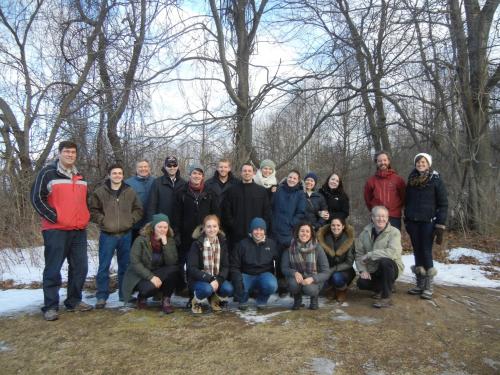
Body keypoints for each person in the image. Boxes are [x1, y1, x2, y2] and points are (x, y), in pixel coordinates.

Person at [30, 140, 93, 321]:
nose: (70, 155)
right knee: (53, 268)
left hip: (79, 230)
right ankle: (50, 306)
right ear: (59, 153)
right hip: (55, 230)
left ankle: (74, 301)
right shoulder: (48, 173)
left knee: (80, 267)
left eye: (73, 152)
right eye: (66, 152)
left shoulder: (80, 176)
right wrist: (54, 217)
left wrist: (84, 216)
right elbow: (36, 198)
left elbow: (83, 201)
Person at [90, 164, 143, 309]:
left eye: (120, 173)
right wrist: (103, 221)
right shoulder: (100, 192)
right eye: (114, 173)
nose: (117, 175)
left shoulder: (129, 191)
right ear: (109, 175)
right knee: (104, 266)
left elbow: (139, 209)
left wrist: (130, 220)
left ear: (123, 175)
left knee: (125, 266)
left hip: (126, 234)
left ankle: (124, 294)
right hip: (108, 235)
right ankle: (101, 296)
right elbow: (93, 210)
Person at [405, 153, 448, 300]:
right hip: (413, 222)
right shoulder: (411, 180)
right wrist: (407, 220)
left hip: (428, 222)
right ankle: (420, 284)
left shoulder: (436, 180)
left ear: (428, 164)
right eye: (418, 162)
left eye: (423, 162)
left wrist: (440, 225)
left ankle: (428, 286)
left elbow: (443, 204)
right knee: (417, 251)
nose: (420, 164)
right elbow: (407, 201)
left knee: (426, 251)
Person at [122, 214, 181, 314]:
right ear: (153, 227)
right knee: (148, 289)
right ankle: (142, 297)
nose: (162, 229)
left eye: (165, 227)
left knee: (174, 270)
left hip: (158, 273)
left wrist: (165, 244)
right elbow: (135, 262)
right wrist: (151, 277)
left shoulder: (169, 240)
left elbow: (172, 262)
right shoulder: (141, 240)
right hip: (141, 276)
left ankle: (166, 301)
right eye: (159, 227)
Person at [355, 206, 404, 308]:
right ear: (372, 217)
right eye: (377, 216)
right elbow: (359, 254)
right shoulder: (364, 233)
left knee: (385, 261)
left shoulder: (394, 232)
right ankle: (381, 288)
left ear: (387, 218)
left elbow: (393, 252)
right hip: (373, 269)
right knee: (361, 283)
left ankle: (386, 298)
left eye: (383, 216)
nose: (381, 219)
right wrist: (363, 270)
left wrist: (370, 255)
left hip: (391, 268)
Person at [187, 215, 234, 314]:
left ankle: (214, 299)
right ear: (204, 228)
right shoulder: (197, 244)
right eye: (208, 226)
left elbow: (226, 266)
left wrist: (219, 279)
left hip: (216, 277)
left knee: (228, 288)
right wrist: (211, 279)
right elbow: (192, 268)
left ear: (218, 228)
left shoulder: (223, 243)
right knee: (207, 289)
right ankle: (196, 300)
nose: (212, 229)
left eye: (214, 226)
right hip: (199, 279)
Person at [173, 165, 219, 264]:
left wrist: (215, 230)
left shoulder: (210, 192)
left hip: (205, 233)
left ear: (203, 177)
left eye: (199, 174)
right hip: (186, 235)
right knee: (186, 260)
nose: (197, 176)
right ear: (190, 175)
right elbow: (176, 215)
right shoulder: (181, 192)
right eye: (194, 173)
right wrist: (176, 233)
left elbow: (215, 214)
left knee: (202, 260)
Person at [230, 217, 279, 310]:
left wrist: (279, 278)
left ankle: (261, 300)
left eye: (261, 229)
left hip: (264, 275)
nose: (258, 232)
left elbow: (278, 262)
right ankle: (243, 299)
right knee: (239, 283)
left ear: (265, 231)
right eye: (256, 229)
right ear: (251, 231)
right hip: (247, 275)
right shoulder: (242, 245)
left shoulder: (271, 244)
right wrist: (237, 280)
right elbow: (234, 266)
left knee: (271, 284)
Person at [221, 163, 271, 249]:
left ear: (253, 173)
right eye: (244, 171)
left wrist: (261, 228)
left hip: (256, 233)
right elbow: (226, 211)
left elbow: (266, 212)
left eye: (249, 171)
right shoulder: (232, 190)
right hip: (236, 234)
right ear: (241, 173)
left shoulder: (261, 191)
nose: (247, 173)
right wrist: (233, 225)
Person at [281, 223, 330, 310]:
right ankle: (297, 300)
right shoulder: (290, 247)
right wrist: (294, 272)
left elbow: (326, 272)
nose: (304, 233)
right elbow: (284, 268)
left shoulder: (317, 248)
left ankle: (314, 299)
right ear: (297, 233)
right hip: (297, 278)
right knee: (293, 284)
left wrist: (312, 279)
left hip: (313, 278)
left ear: (311, 234)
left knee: (310, 289)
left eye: (307, 231)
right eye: (302, 231)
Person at [364, 151, 406, 230]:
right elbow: (368, 200)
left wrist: (396, 209)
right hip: (377, 218)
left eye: (384, 160)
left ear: (388, 161)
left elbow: (403, 197)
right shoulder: (371, 181)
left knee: (394, 241)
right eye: (379, 161)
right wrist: (375, 211)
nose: (382, 162)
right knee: (377, 241)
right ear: (376, 162)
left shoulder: (398, 180)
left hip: (394, 217)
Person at [317, 217, 355, 303]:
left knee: (336, 277)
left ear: (343, 226)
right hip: (327, 268)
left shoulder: (349, 240)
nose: (335, 227)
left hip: (344, 270)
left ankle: (341, 290)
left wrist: (333, 270)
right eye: (333, 225)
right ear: (330, 226)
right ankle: (331, 289)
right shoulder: (324, 239)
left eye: (338, 225)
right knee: (322, 280)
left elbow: (349, 262)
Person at [147, 155, 186, 225]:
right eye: (169, 165)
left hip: (179, 225)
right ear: (165, 167)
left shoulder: (184, 183)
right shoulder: (157, 182)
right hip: (162, 224)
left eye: (174, 165)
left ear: (178, 166)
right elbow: (151, 206)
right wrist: (152, 224)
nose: (172, 167)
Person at [125, 159, 155, 243]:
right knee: (133, 250)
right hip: (134, 225)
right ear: (136, 169)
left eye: (145, 166)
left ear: (149, 168)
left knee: (149, 251)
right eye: (140, 167)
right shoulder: (128, 183)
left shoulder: (155, 182)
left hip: (151, 224)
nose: (143, 169)